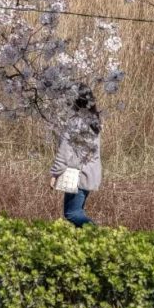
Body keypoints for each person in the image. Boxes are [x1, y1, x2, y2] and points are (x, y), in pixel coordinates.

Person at [50, 85, 102, 228]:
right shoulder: (94, 121)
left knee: (72, 213)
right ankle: (85, 239)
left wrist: (55, 174)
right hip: (90, 174)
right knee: (78, 212)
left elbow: (65, 151)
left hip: (79, 175)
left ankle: (98, 233)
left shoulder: (75, 122)